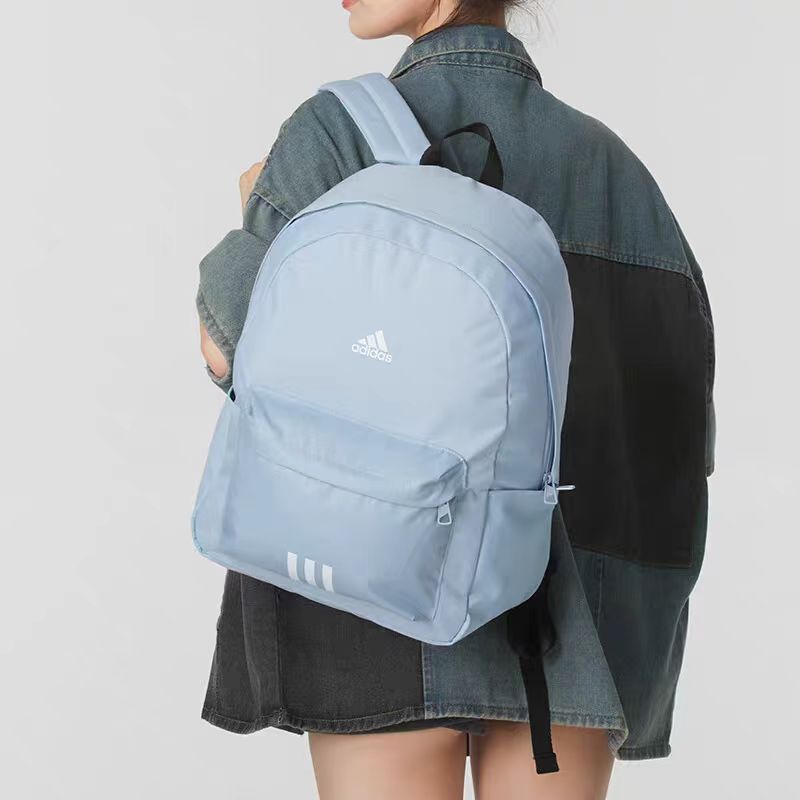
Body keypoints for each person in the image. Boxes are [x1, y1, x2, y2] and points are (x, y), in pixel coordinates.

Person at [195, 2, 715, 798]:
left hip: (370, 583)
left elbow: (228, 352)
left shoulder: (337, 135)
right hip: (567, 623)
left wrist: (254, 212)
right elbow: (670, 436)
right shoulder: (619, 175)